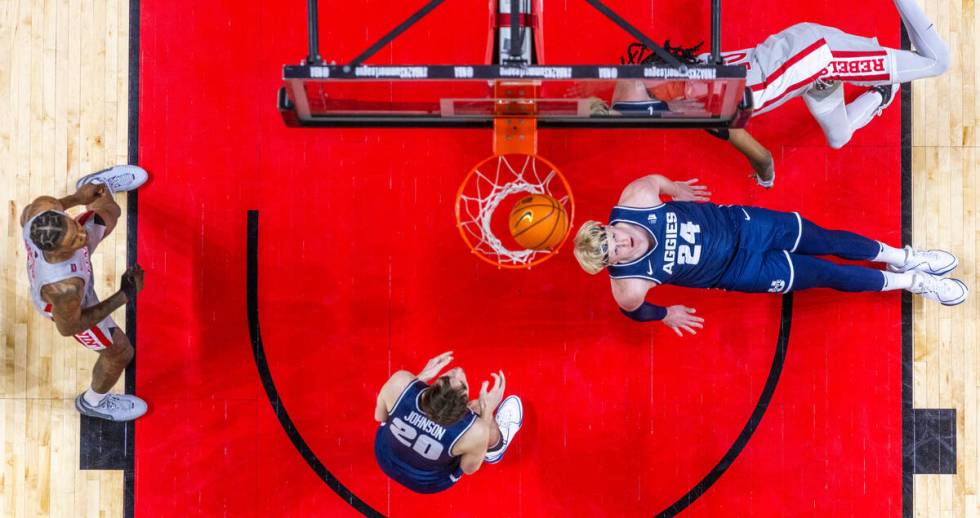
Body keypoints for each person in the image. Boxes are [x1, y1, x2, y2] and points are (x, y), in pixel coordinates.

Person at [572, 174, 967, 336]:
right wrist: (666, 314)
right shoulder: (628, 285)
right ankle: (913, 282)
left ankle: (902, 256)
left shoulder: (635, 199)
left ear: (607, 225)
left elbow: (656, 181)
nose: (621, 246)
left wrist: (675, 188)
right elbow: (634, 311)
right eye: (611, 255)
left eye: (612, 238)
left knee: (824, 239)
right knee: (827, 274)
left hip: (745, 224)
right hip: (743, 271)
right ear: (608, 265)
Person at [611, 0, 948, 187]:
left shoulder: (715, 110)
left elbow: (764, 158)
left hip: (822, 56)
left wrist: (765, 178)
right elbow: (628, 94)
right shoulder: (694, 65)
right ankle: (881, 92)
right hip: (808, 71)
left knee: (936, 62)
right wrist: (608, 107)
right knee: (839, 137)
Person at [21, 165, 149, 420]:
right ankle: (94, 402)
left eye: (76, 228)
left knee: (110, 211)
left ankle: (95, 182)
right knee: (120, 353)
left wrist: (80, 198)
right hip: (72, 309)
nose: (83, 235)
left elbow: (47, 211)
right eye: (76, 239)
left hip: (72, 265)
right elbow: (69, 327)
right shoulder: (65, 289)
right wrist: (124, 294)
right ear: (57, 250)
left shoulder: (41, 211)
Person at [374, 351, 523, 493]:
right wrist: (487, 412)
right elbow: (468, 468)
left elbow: (380, 417)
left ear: (432, 388)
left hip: (385, 458)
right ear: (465, 407)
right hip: (428, 482)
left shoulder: (399, 383)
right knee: (479, 409)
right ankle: (495, 448)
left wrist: (417, 380)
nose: (458, 371)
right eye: (463, 387)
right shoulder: (476, 430)